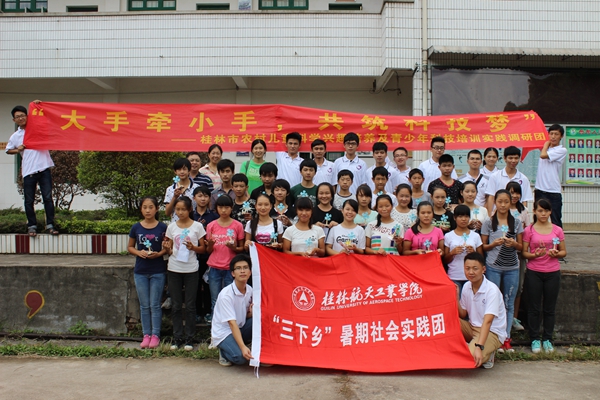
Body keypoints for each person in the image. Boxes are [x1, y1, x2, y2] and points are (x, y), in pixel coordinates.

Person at [481, 189, 523, 353]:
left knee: (508, 303)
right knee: (493, 303)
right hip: (493, 267)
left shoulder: (517, 222)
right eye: (500, 202)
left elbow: (521, 247)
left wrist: (514, 244)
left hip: (512, 268)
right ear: (495, 203)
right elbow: (483, 246)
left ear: (510, 202)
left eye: (506, 201)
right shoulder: (488, 222)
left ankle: (506, 338)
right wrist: (494, 244)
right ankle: (493, 337)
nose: (503, 205)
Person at [522, 199, 566, 354]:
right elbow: (524, 253)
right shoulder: (529, 230)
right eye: (540, 210)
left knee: (549, 308)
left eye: (546, 211)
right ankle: (534, 338)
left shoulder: (557, 230)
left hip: (552, 272)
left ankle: (547, 339)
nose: (543, 214)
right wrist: (535, 255)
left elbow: (563, 251)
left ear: (550, 212)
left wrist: (556, 253)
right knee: (533, 308)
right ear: (534, 211)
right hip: (534, 272)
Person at [6, 104, 57, 236]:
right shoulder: (16, 136)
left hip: (44, 168)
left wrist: (38, 106)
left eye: (23, 115)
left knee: (48, 198)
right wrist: (18, 150)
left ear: (28, 116)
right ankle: (32, 226)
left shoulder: (37, 129)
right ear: (14, 120)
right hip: (29, 170)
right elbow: (8, 150)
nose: (21, 118)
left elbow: (46, 119)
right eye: (17, 117)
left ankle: (50, 225)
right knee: (29, 200)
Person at [163, 197, 206, 350]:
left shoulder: (197, 226)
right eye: (177, 209)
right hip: (174, 269)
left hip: (191, 270)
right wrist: (166, 248)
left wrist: (193, 247)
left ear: (190, 210)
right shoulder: (171, 227)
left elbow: (203, 249)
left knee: (190, 306)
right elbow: (169, 249)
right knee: (175, 306)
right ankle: (177, 337)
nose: (180, 212)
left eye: (183, 209)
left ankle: (189, 338)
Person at [128, 196, 168, 349]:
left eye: (151, 207)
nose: (148, 210)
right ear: (141, 209)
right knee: (144, 305)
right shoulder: (136, 227)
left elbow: (167, 247)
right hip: (141, 271)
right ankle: (146, 334)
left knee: (155, 305)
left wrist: (159, 253)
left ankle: (156, 335)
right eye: (145, 207)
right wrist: (139, 253)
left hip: (158, 271)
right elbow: (130, 247)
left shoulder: (163, 227)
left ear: (156, 209)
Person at [457, 252, 506, 369]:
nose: (471, 272)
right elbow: (463, 314)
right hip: (472, 327)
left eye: (475, 268)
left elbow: (488, 322)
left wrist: (479, 346)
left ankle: (486, 352)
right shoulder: (466, 286)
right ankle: (472, 346)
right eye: (467, 268)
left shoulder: (491, 290)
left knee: (470, 358)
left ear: (483, 269)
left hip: (492, 332)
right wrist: (455, 296)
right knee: (447, 322)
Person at [205, 195, 245, 323]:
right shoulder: (211, 226)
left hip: (231, 268)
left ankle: (231, 326)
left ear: (231, 208)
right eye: (220, 207)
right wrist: (210, 245)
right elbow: (208, 250)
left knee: (230, 299)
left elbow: (241, 248)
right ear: (216, 208)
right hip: (214, 267)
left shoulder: (237, 226)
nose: (223, 210)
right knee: (215, 299)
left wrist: (234, 247)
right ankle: (215, 326)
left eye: (227, 207)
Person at [211, 254, 254, 366]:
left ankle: (252, 348)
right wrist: (242, 347)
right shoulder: (226, 295)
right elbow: (231, 323)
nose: (242, 271)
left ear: (250, 272)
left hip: (240, 326)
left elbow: (244, 315)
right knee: (241, 358)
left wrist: (252, 313)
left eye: (245, 268)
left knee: (259, 319)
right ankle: (223, 352)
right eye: (238, 268)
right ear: (233, 273)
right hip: (224, 332)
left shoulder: (250, 290)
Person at [192, 186, 218, 323]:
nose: (203, 199)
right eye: (200, 196)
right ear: (194, 198)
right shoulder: (190, 216)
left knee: (208, 284)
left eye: (206, 196)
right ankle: (197, 312)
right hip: (193, 255)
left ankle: (208, 311)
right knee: (195, 284)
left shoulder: (214, 216)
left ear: (209, 199)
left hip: (209, 256)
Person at [506, 181, 530, 332]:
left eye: (517, 193)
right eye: (511, 192)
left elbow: (527, 231)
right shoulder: (501, 208)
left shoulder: (524, 211)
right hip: (503, 254)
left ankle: (514, 317)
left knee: (518, 286)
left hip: (519, 253)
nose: (514, 196)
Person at [443, 205, 483, 294]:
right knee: (456, 301)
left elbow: (481, 258)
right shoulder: (448, 236)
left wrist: (473, 253)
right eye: (460, 216)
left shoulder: (475, 236)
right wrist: (452, 253)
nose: (464, 219)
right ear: (454, 218)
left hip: (472, 276)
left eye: (466, 216)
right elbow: (445, 260)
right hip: (454, 276)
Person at [534, 124, 567, 228]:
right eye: (551, 134)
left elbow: (543, 155)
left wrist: (545, 145)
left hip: (553, 191)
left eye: (556, 134)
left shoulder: (562, 150)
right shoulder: (546, 148)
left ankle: (557, 239)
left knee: (555, 220)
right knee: (538, 219)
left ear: (561, 136)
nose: (553, 137)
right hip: (540, 189)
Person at [485, 146, 533, 215]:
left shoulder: (523, 179)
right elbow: (491, 197)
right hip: (498, 215)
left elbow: (524, 200)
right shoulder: (495, 176)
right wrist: (490, 215)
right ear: (505, 158)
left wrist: (522, 216)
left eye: (516, 158)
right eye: (510, 158)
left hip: (516, 216)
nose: (513, 161)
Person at [165, 158, 199, 222]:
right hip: (176, 224)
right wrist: (175, 197)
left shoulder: (197, 188)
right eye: (179, 169)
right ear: (175, 171)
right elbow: (167, 213)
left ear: (189, 170)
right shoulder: (170, 189)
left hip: (193, 224)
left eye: (184, 169)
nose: (182, 172)